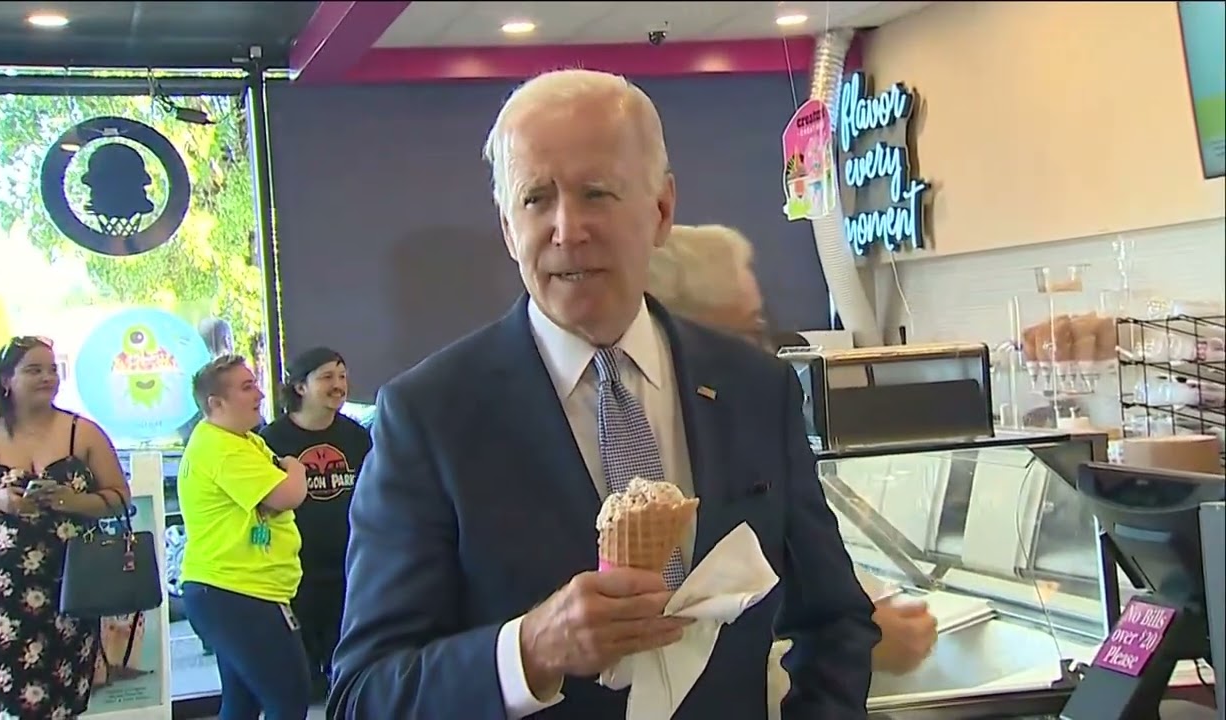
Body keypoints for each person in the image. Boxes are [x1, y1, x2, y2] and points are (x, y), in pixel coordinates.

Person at [330, 69, 879, 720]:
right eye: (536, 199)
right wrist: (530, 651)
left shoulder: (755, 389)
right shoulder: (428, 419)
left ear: (661, 210)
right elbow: (363, 695)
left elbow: (835, 620)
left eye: (596, 193)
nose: (567, 229)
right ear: (507, 227)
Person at [650, 224, 941, 682]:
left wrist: (861, 631)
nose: (764, 353)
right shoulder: (639, 458)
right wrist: (874, 641)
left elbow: (817, 590)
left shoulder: (760, 428)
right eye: (748, 332)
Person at [0, 335, 131, 719]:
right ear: (6, 380)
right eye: (34, 369)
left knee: (66, 700)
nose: (47, 377)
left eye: (51, 369)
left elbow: (120, 497)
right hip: (5, 591)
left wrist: (71, 501)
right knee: (14, 702)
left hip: (73, 586)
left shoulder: (84, 433)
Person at [176, 355, 311, 720]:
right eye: (247, 387)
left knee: (242, 705)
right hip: (238, 592)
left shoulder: (244, 441)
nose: (259, 395)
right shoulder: (222, 449)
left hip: (236, 590)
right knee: (289, 699)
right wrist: (296, 468)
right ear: (216, 403)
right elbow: (288, 494)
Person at [258, 347, 372, 699]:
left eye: (342, 376)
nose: (338, 385)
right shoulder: (270, 441)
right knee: (301, 680)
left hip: (350, 568)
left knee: (349, 669)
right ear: (300, 387)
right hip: (294, 573)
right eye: (326, 377)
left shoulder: (358, 437)